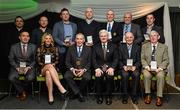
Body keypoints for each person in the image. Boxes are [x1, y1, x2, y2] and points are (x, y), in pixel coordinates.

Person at [36, 33, 68, 105]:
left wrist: (54, 64)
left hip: (52, 69)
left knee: (48, 73)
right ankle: (60, 87)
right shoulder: (39, 49)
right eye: (46, 38)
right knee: (48, 67)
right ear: (44, 40)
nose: (48, 40)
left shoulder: (55, 48)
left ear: (51, 40)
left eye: (49, 38)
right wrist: (46, 64)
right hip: (42, 69)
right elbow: (38, 62)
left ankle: (50, 96)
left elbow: (57, 60)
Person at [141, 30, 169, 106]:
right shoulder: (144, 46)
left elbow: (166, 60)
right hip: (148, 68)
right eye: (151, 36)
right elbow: (142, 58)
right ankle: (148, 94)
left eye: (155, 35)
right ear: (149, 37)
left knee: (160, 76)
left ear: (158, 37)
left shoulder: (164, 47)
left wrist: (160, 68)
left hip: (159, 68)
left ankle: (159, 96)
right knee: (146, 75)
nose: (153, 37)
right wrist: (146, 67)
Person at [8, 30, 36, 101]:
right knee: (11, 77)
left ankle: (19, 90)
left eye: (27, 36)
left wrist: (29, 67)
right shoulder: (13, 47)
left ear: (29, 38)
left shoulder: (33, 46)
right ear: (19, 37)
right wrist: (16, 67)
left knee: (30, 78)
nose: (25, 37)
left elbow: (35, 60)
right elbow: (11, 59)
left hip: (28, 66)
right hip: (17, 66)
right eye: (23, 36)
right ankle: (22, 91)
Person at [92, 29, 118, 105]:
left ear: (108, 37)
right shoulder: (95, 46)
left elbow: (116, 58)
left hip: (110, 67)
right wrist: (96, 68)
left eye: (105, 36)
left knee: (109, 77)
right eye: (101, 36)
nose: (103, 37)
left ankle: (108, 96)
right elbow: (93, 59)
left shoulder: (114, 46)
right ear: (99, 37)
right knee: (98, 76)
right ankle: (99, 96)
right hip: (99, 67)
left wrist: (112, 68)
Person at [65, 33, 91, 102]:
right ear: (75, 40)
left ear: (84, 40)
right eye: (77, 39)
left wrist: (84, 70)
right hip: (74, 69)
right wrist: (72, 69)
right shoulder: (70, 48)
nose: (79, 41)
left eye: (81, 39)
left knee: (87, 77)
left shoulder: (88, 49)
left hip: (84, 69)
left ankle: (75, 93)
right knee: (67, 76)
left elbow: (89, 62)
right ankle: (79, 94)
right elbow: (67, 61)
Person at [52, 8, 77, 73]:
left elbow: (77, 36)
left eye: (67, 14)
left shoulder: (74, 25)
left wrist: (74, 42)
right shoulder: (57, 25)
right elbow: (54, 37)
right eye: (63, 14)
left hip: (72, 48)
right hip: (61, 49)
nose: (65, 15)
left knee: (72, 65)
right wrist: (63, 43)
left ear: (69, 15)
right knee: (61, 66)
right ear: (61, 16)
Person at [118, 32, 141, 104]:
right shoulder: (120, 47)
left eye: (131, 37)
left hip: (134, 67)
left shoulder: (137, 47)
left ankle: (134, 96)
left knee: (136, 74)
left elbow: (139, 60)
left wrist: (135, 66)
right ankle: (125, 96)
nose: (129, 39)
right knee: (125, 75)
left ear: (133, 38)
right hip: (124, 67)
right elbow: (118, 60)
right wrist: (123, 66)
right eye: (127, 37)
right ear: (125, 39)